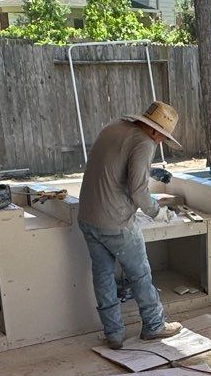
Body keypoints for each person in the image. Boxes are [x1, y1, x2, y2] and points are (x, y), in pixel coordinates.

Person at [77, 101, 188, 349]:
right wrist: (158, 213)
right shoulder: (145, 142)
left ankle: (114, 335)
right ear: (154, 130)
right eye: (162, 137)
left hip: (88, 216)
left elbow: (115, 166)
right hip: (115, 221)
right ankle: (154, 325)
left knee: (103, 275)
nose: (160, 142)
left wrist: (151, 171)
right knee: (140, 274)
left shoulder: (114, 127)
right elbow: (138, 191)